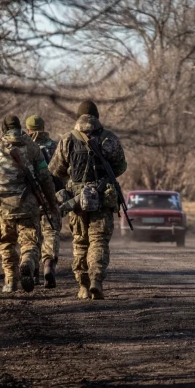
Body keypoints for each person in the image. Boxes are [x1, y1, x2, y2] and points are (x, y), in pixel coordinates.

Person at [49, 101, 127, 300]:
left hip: (76, 201)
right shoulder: (109, 138)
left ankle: (83, 286)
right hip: (103, 198)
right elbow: (120, 167)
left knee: (81, 243)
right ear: (97, 116)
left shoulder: (67, 139)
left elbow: (55, 170)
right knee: (99, 241)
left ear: (78, 116)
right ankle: (96, 281)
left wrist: (72, 183)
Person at [0, 115, 60, 293]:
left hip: (3, 206)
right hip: (28, 204)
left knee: (6, 242)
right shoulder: (32, 147)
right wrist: (51, 202)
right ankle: (28, 263)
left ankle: (11, 281)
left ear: (3, 129)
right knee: (30, 241)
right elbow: (45, 177)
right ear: (20, 127)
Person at [25, 115, 63, 288]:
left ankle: (31, 268)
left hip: (29, 198)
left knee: (31, 235)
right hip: (51, 196)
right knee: (51, 232)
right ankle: (48, 264)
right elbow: (63, 173)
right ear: (44, 127)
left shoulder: (24, 148)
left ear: (28, 130)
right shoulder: (56, 146)